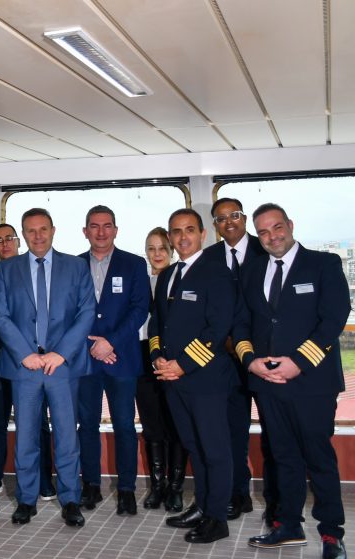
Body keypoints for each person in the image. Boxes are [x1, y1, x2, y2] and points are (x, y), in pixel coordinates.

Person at [235, 203, 348, 559]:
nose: (272, 237)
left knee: (318, 457)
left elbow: (334, 318)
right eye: (263, 232)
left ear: (290, 225)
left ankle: (331, 534)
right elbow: (241, 323)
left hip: (312, 382)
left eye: (277, 227)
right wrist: (250, 361)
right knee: (282, 456)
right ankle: (288, 525)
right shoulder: (252, 271)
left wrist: (299, 362)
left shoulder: (323, 264)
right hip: (267, 380)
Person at [0, 208, 93, 528]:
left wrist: (60, 353)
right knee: (25, 438)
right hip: (25, 367)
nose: (37, 236)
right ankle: (26, 499)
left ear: (53, 230)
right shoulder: (7, 269)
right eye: (31, 230)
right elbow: (1, 316)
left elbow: (86, 312)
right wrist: (24, 354)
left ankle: (71, 499)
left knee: (66, 437)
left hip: (62, 367)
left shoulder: (76, 267)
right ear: (23, 234)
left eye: (43, 229)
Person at [150, 208, 235, 544]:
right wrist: (157, 356)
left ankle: (217, 518)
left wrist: (183, 364)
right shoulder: (168, 275)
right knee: (194, 447)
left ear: (203, 234)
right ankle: (202, 506)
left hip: (205, 380)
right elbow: (157, 323)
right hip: (173, 380)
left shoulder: (218, 273)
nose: (182, 237)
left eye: (189, 230)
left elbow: (218, 328)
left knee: (215, 450)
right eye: (176, 231)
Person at [76, 206, 150, 515]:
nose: (101, 232)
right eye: (94, 226)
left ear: (116, 230)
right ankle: (91, 485)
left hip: (121, 357)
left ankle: (127, 490)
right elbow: (67, 312)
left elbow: (140, 308)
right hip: (85, 359)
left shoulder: (134, 264)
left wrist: (110, 342)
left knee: (124, 425)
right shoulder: (74, 265)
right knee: (87, 425)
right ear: (85, 231)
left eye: (107, 226)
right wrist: (90, 344)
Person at [206, 197, 274, 520]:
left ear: (244, 218)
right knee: (233, 430)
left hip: (264, 357)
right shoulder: (209, 258)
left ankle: (276, 502)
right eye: (221, 218)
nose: (228, 222)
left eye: (234, 215)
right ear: (215, 226)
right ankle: (238, 494)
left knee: (274, 432)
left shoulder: (266, 250)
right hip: (225, 361)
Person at [0, 224, 56, 500]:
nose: (4, 244)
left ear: (19, 241)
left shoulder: (36, 271)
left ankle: (44, 480)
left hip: (32, 363)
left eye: (9, 238)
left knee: (37, 423)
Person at [136, 227, 188, 512]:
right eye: (151, 248)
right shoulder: (140, 282)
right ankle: (158, 486)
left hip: (175, 360)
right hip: (144, 357)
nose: (157, 254)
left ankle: (176, 487)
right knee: (152, 425)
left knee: (177, 425)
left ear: (171, 251)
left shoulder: (181, 281)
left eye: (162, 249)